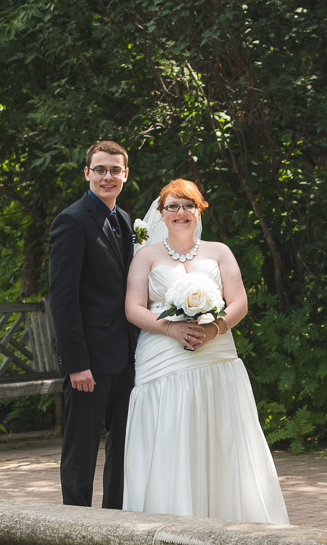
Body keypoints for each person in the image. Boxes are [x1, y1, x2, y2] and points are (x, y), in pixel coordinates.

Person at [121, 179, 288, 524]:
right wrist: (171, 327)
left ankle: (231, 520)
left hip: (216, 354)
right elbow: (134, 308)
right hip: (161, 357)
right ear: (161, 213)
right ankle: (170, 520)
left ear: (199, 211)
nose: (181, 213)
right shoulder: (146, 256)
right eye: (173, 207)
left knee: (222, 437)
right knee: (170, 436)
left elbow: (239, 301)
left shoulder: (219, 252)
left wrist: (214, 328)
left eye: (188, 206)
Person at [48, 140, 138, 508]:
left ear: (125, 175)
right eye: (100, 169)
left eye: (115, 170)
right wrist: (76, 363)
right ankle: (76, 524)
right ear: (87, 173)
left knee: (124, 447)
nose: (108, 176)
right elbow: (63, 298)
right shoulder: (71, 221)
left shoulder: (126, 220)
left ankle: (114, 520)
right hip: (89, 362)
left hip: (127, 357)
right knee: (80, 450)